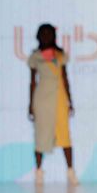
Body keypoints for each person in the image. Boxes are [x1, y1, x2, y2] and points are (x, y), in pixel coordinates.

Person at [28, 23, 78, 184]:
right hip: (42, 99)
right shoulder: (35, 57)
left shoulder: (60, 55)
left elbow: (65, 78)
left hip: (59, 98)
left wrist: (70, 100)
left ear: (54, 36)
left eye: (49, 33)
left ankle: (70, 172)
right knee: (41, 134)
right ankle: (38, 172)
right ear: (38, 36)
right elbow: (32, 82)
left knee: (64, 134)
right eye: (43, 33)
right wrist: (30, 104)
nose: (46, 36)